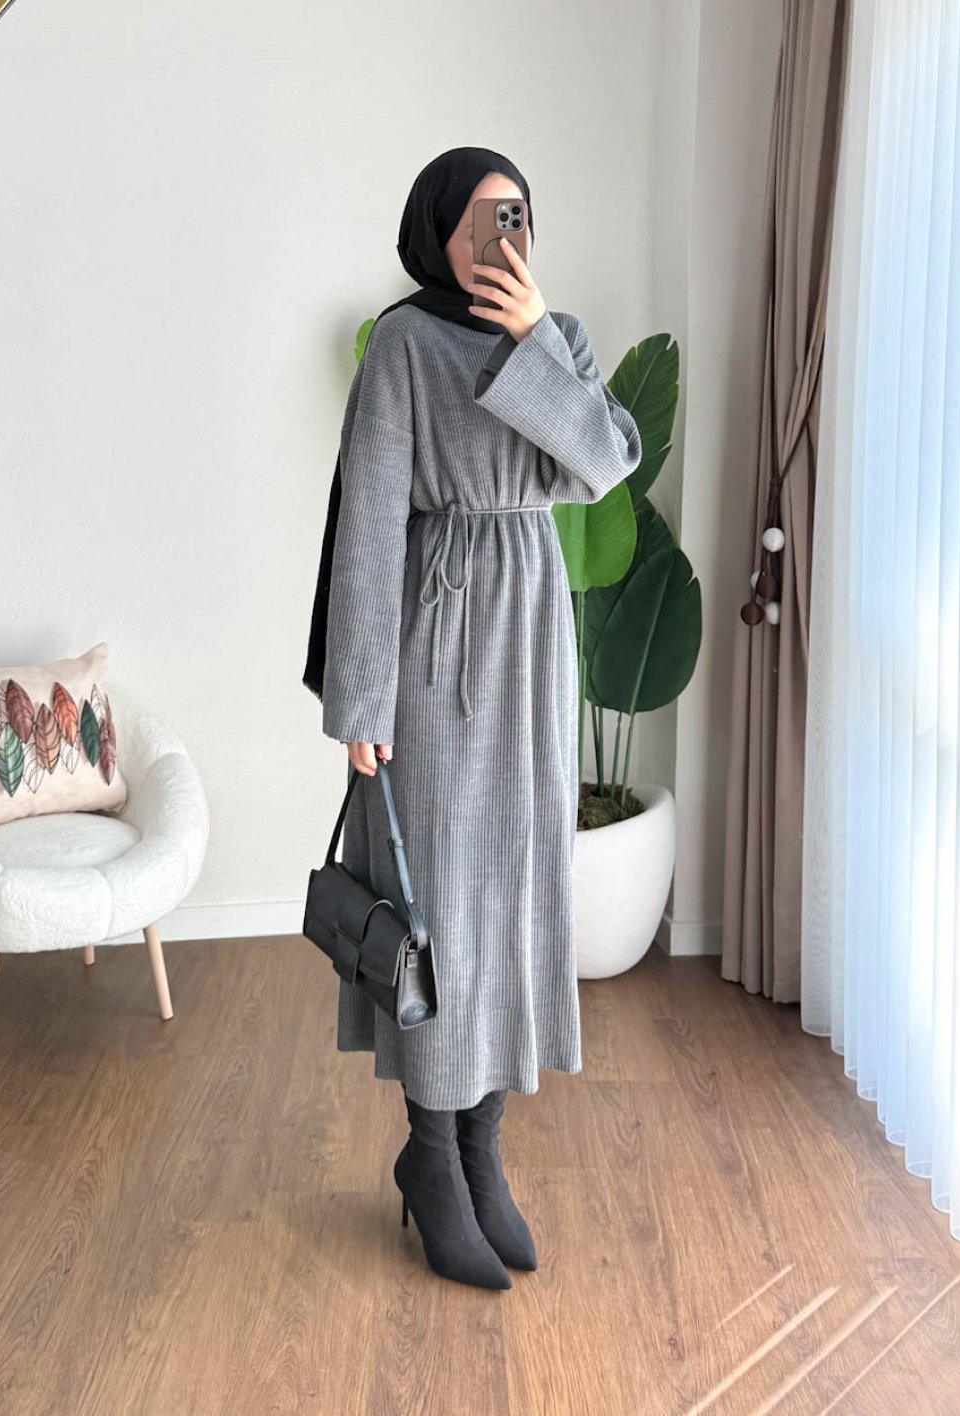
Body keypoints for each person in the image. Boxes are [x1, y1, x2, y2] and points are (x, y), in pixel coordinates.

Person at [305, 147, 642, 1289]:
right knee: (439, 903)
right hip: (435, 636)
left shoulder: (558, 338)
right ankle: (433, 1155)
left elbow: (602, 463)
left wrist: (536, 339)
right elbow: (367, 519)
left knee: (512, 891)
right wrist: (361, 697)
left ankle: (481, 1150)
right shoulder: (402, 343)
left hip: (532, 637)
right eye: (486, 218)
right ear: (437, 230)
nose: (508, 237)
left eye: (520, 216)